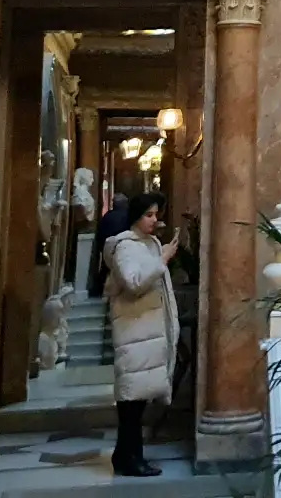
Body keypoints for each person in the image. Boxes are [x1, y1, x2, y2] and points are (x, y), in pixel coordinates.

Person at [105, 192, 179, 477]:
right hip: (133, 332)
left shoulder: (151, 243)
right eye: (149, 215)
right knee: (131, 403)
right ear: (136, 216)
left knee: (138, 401)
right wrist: (162, 259)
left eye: (156, 214)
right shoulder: (125, 246)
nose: (154, 220)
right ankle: (130, 458)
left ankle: (125, 455)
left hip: (148, 331)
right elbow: (134, 282)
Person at [88, 191, 130, 297]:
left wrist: (101, 247)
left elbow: (100, 233)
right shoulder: (128, 216)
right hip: (123, 248)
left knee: (105, 269)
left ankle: (97, 291)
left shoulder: (107, 216)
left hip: (108, 248)